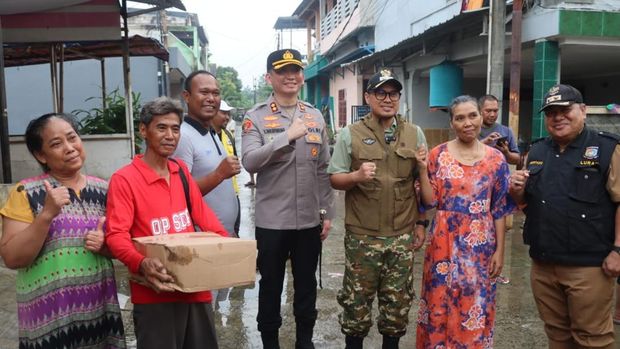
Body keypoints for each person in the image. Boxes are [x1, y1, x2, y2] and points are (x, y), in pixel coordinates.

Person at [105, 97, 229, 349]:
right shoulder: (124, 179)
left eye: (175, 128)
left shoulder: (181, 170)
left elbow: (207, 220)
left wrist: (227, 249)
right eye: (161, 128)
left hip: (195, 289)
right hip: (154, 294)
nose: (170, 135)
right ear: (143, 130)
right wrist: (141, 262)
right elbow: (116, 235)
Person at [0, 113, 126, 349]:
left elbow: (120, 248)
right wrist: (46, 214)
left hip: (99, 312)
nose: (70, 148)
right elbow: (12, 258)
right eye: (56, 144)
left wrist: (106, 245)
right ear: (41, 155)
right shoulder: (25, 192)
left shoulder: (105, 189)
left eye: (72, 138)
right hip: (49, 320)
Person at [509, 84, 620, 349]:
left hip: (589, 266)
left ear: (582, 111)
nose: (557, 117)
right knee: (557, 336)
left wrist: (618, 249)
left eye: (564, 110)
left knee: (593, 339)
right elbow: (527, 205)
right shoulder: (536, 152)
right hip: (544, 265)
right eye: (551, 112)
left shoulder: (607, 149)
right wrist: (518, 192)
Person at [328, 69, 428, 349]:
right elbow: (335, 177)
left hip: (401, 237)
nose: (388, 99)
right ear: (368, 97)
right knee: (356, 306)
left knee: (397, 307)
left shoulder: (414, 133)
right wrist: (356, 176)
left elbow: (419, 184)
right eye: (381, 93)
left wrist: (421, 223)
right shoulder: (351, 135)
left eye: (393, 93)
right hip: (363, 238)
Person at [241, 48, 334, 349]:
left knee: (306, 287)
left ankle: (304, 342)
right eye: (282, 71)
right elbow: (250, 162)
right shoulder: (255, 117)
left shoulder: (315, 116)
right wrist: (286, 137)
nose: (290, 76)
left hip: (308, 220)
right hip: (273, 222)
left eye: (295, 70)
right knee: (270, 287)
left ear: (302, 76)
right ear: (270, 77)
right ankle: (271, 343)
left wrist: (327, 212)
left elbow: (323, 169)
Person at [415, 95, 514, 348]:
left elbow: (500, 209)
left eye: (472, 116)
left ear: (481, 117)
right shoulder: (438, 155)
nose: (467, 123)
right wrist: (421, 168)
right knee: (439, 303)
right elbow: (428, 201)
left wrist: (499, 251)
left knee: (475, 304)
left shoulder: (496, 159)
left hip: (480, 248)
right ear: (452, 123)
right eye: (460, 118)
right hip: (442, 245)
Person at [173, 71, 241, 238]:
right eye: (204, 92)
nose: (211, 98)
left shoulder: (210, 131)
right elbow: (178, 193)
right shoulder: (183, 136)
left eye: (216, 93)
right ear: (186, 96)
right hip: (203, 240)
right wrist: (219, 174)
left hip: (224, 236)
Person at [211, 99, 241, 237]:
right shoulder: (205, 136)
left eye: (228, 114)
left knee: (235, 232)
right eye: (223, 113)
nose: (227, 117)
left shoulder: (228, 135)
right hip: (214, 198)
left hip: (233, 194)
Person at [478, 94, 520, 165]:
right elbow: (464, 153)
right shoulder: (471, 130)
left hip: (499, 175)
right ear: (479, 111)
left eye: (495, 111)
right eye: (488, 111)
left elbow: (517, 160)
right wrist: (484, 142)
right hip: (476, 174)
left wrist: (506, 153)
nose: (492, 114)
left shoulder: (506, 131)